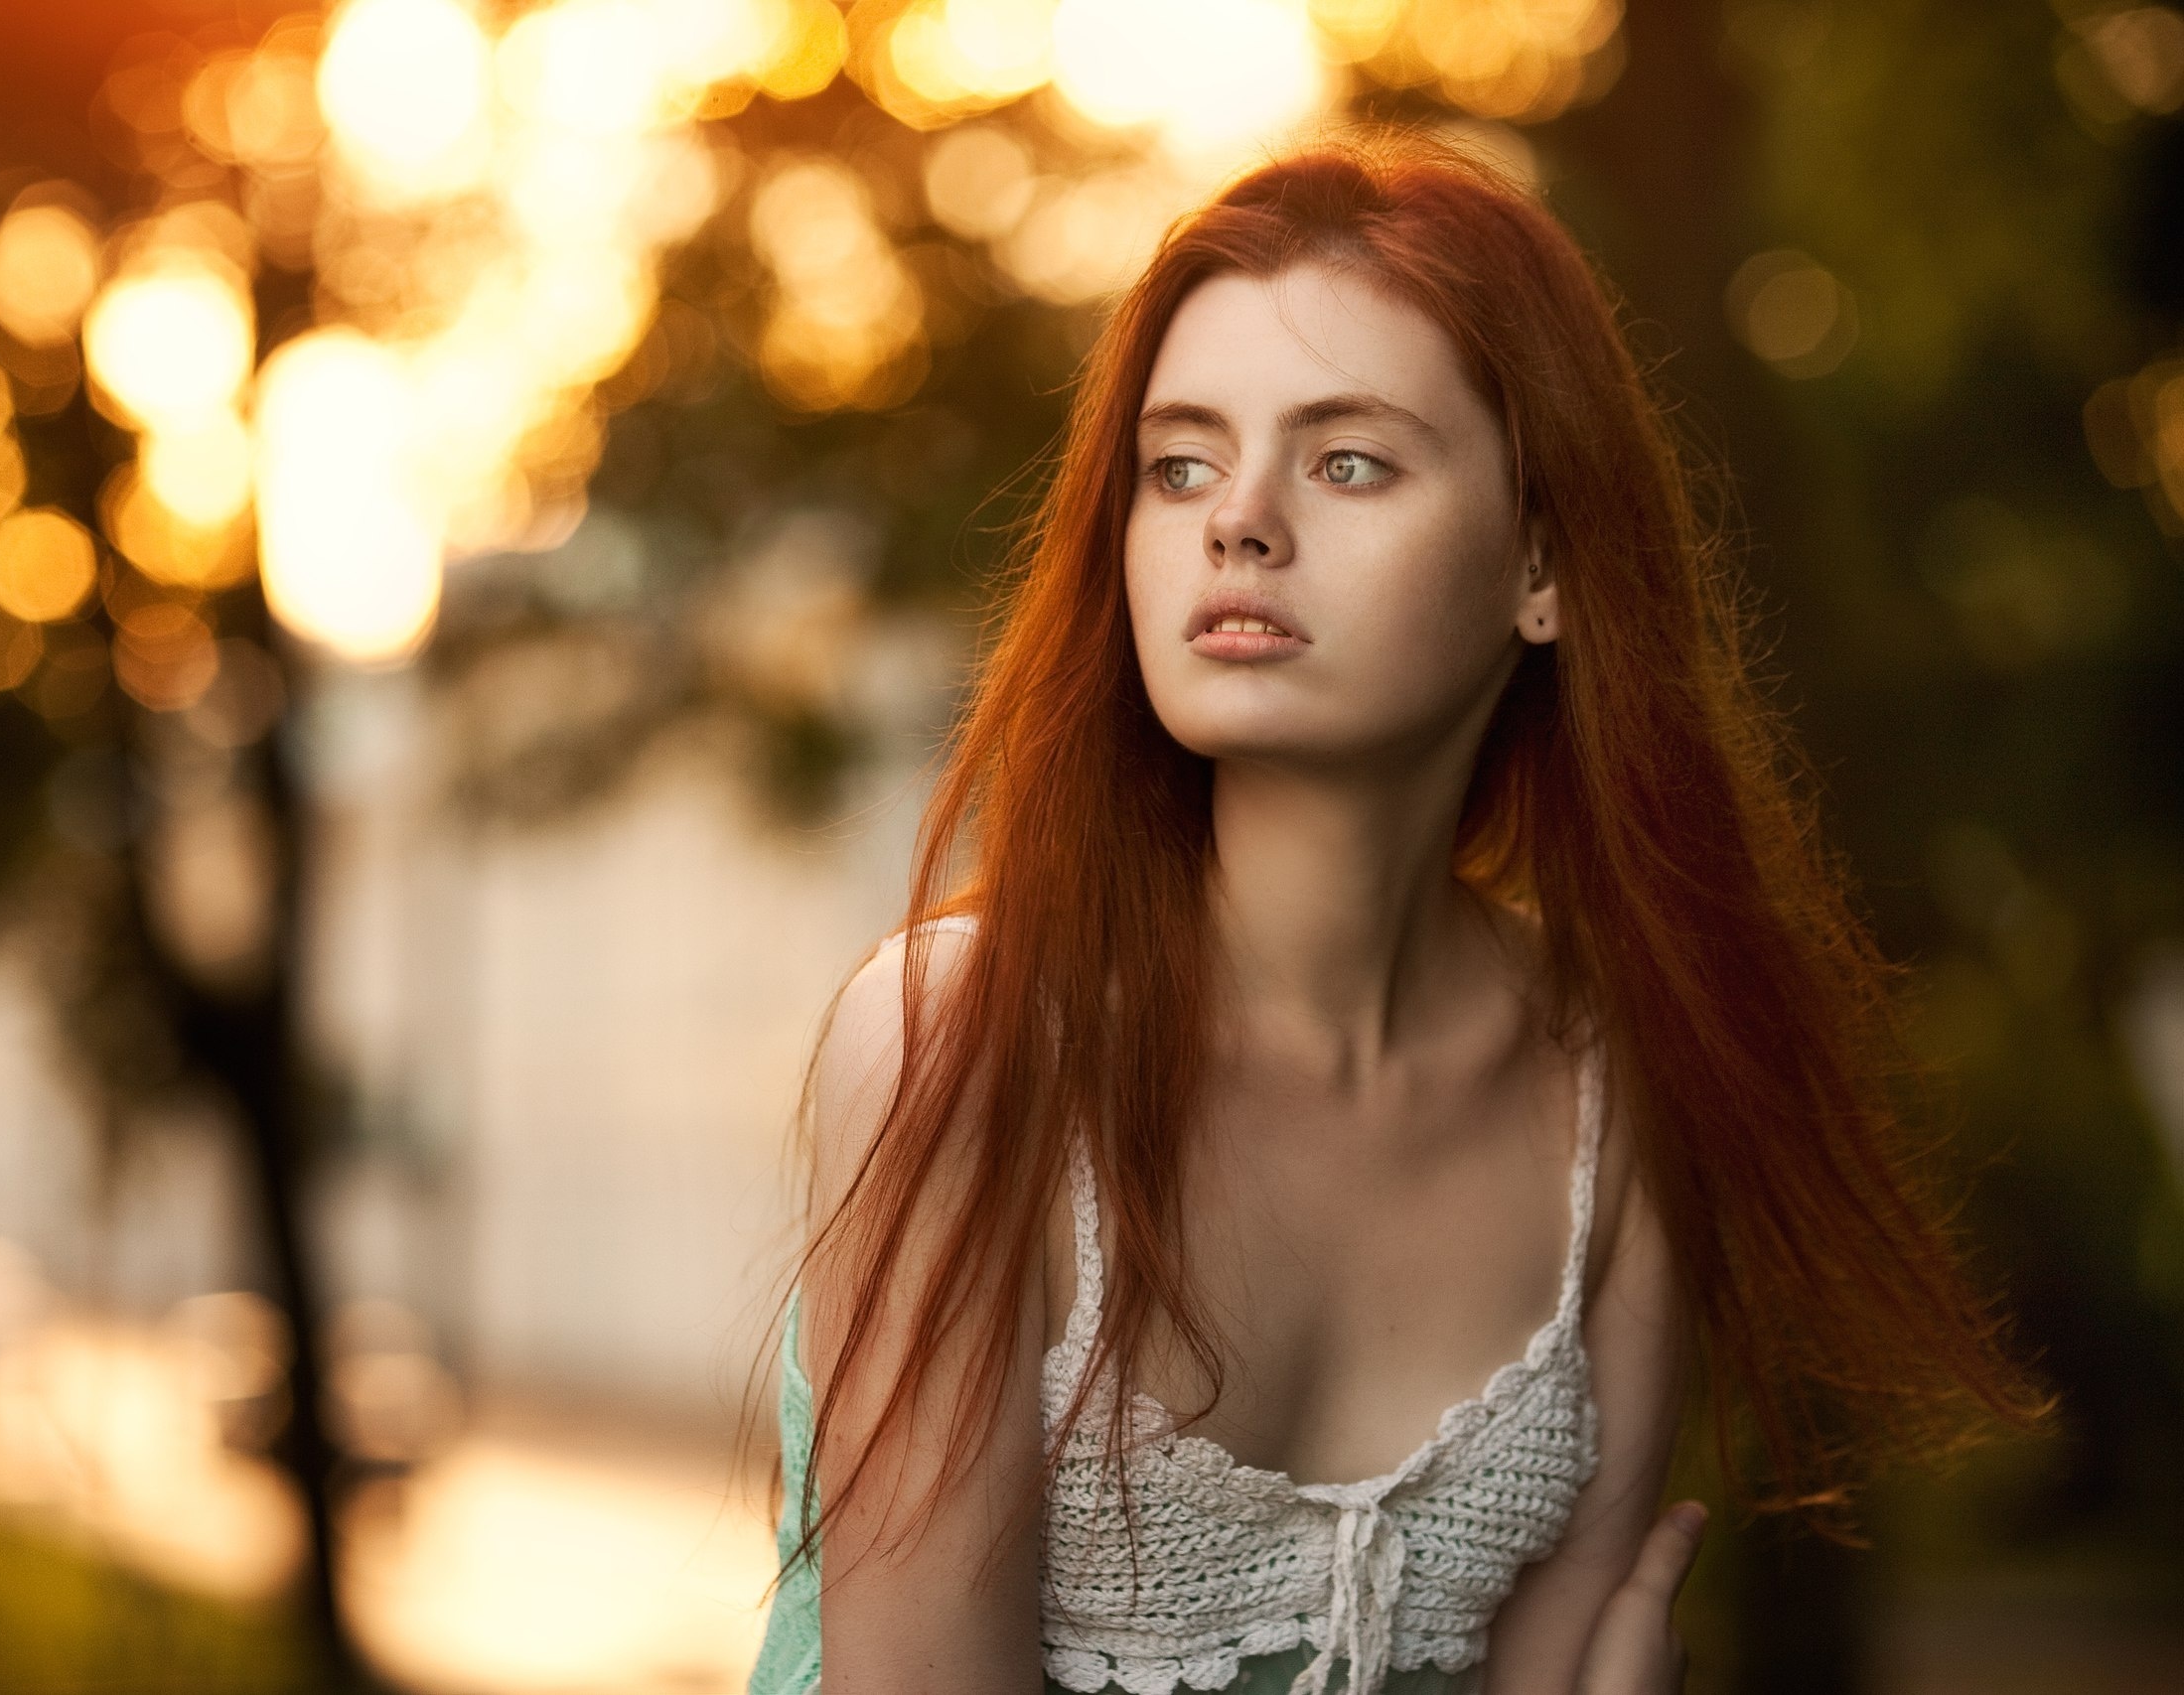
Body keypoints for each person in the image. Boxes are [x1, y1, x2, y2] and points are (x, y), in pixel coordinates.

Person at [749, 131, 2040, 1695]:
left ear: (1544, 563)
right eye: (1180, 463)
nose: (1239, 519)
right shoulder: (960, 1038)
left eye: (1346, 458)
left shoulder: (1611, 1097)